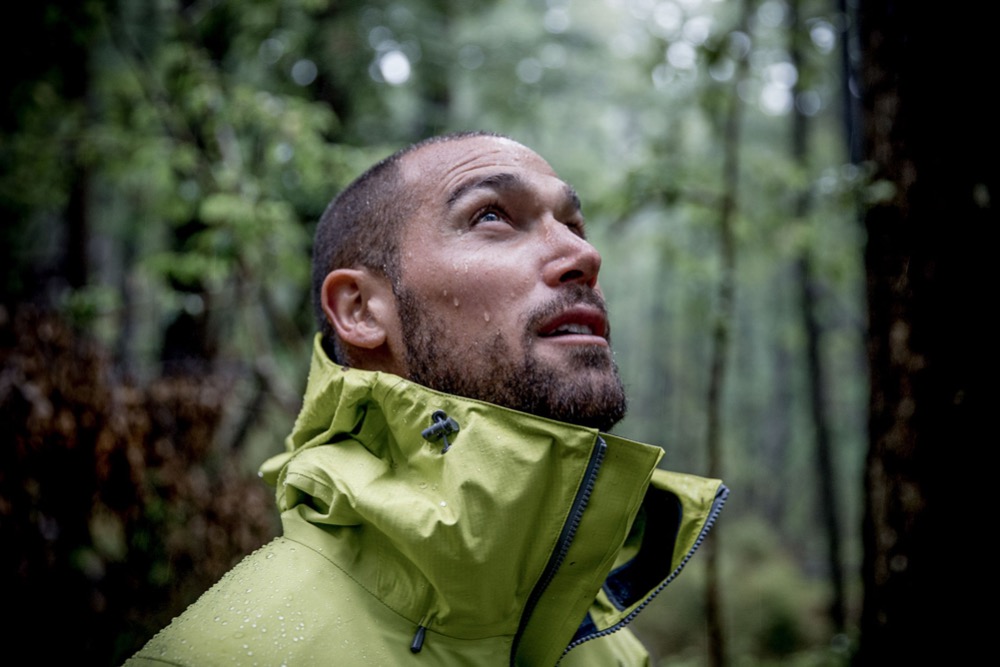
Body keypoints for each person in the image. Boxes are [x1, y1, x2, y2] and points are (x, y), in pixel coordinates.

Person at [125, 131, 727, 666]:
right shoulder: (222, 657)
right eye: (492, 216)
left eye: (574, 225)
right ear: (361, 310)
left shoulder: (612, 648)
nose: (584, 255)